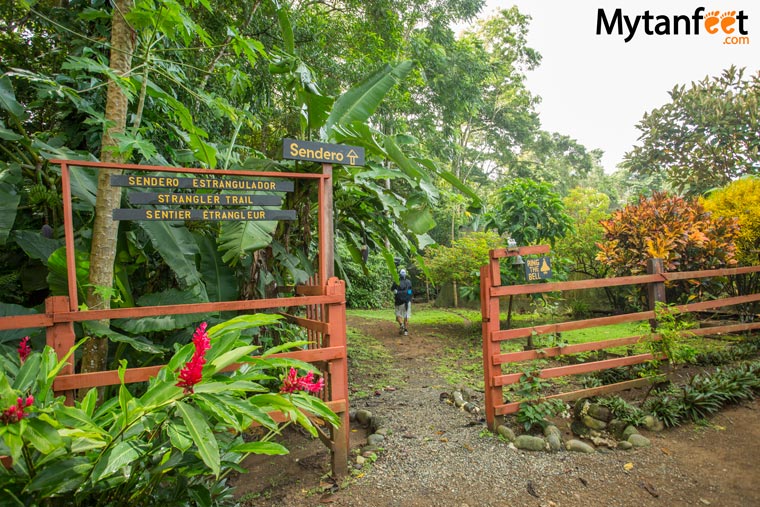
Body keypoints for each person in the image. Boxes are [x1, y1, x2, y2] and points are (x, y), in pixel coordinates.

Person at [391, 268, 413, 336]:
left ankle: (401, 324)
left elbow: (392, 289)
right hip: (407, 301)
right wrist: (408, 297)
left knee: (398, 315)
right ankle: (406, 330)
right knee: (406, 316)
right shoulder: (409, 282)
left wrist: (398, 292)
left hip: (399, 301)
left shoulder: (396, 282)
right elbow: (410, 291)